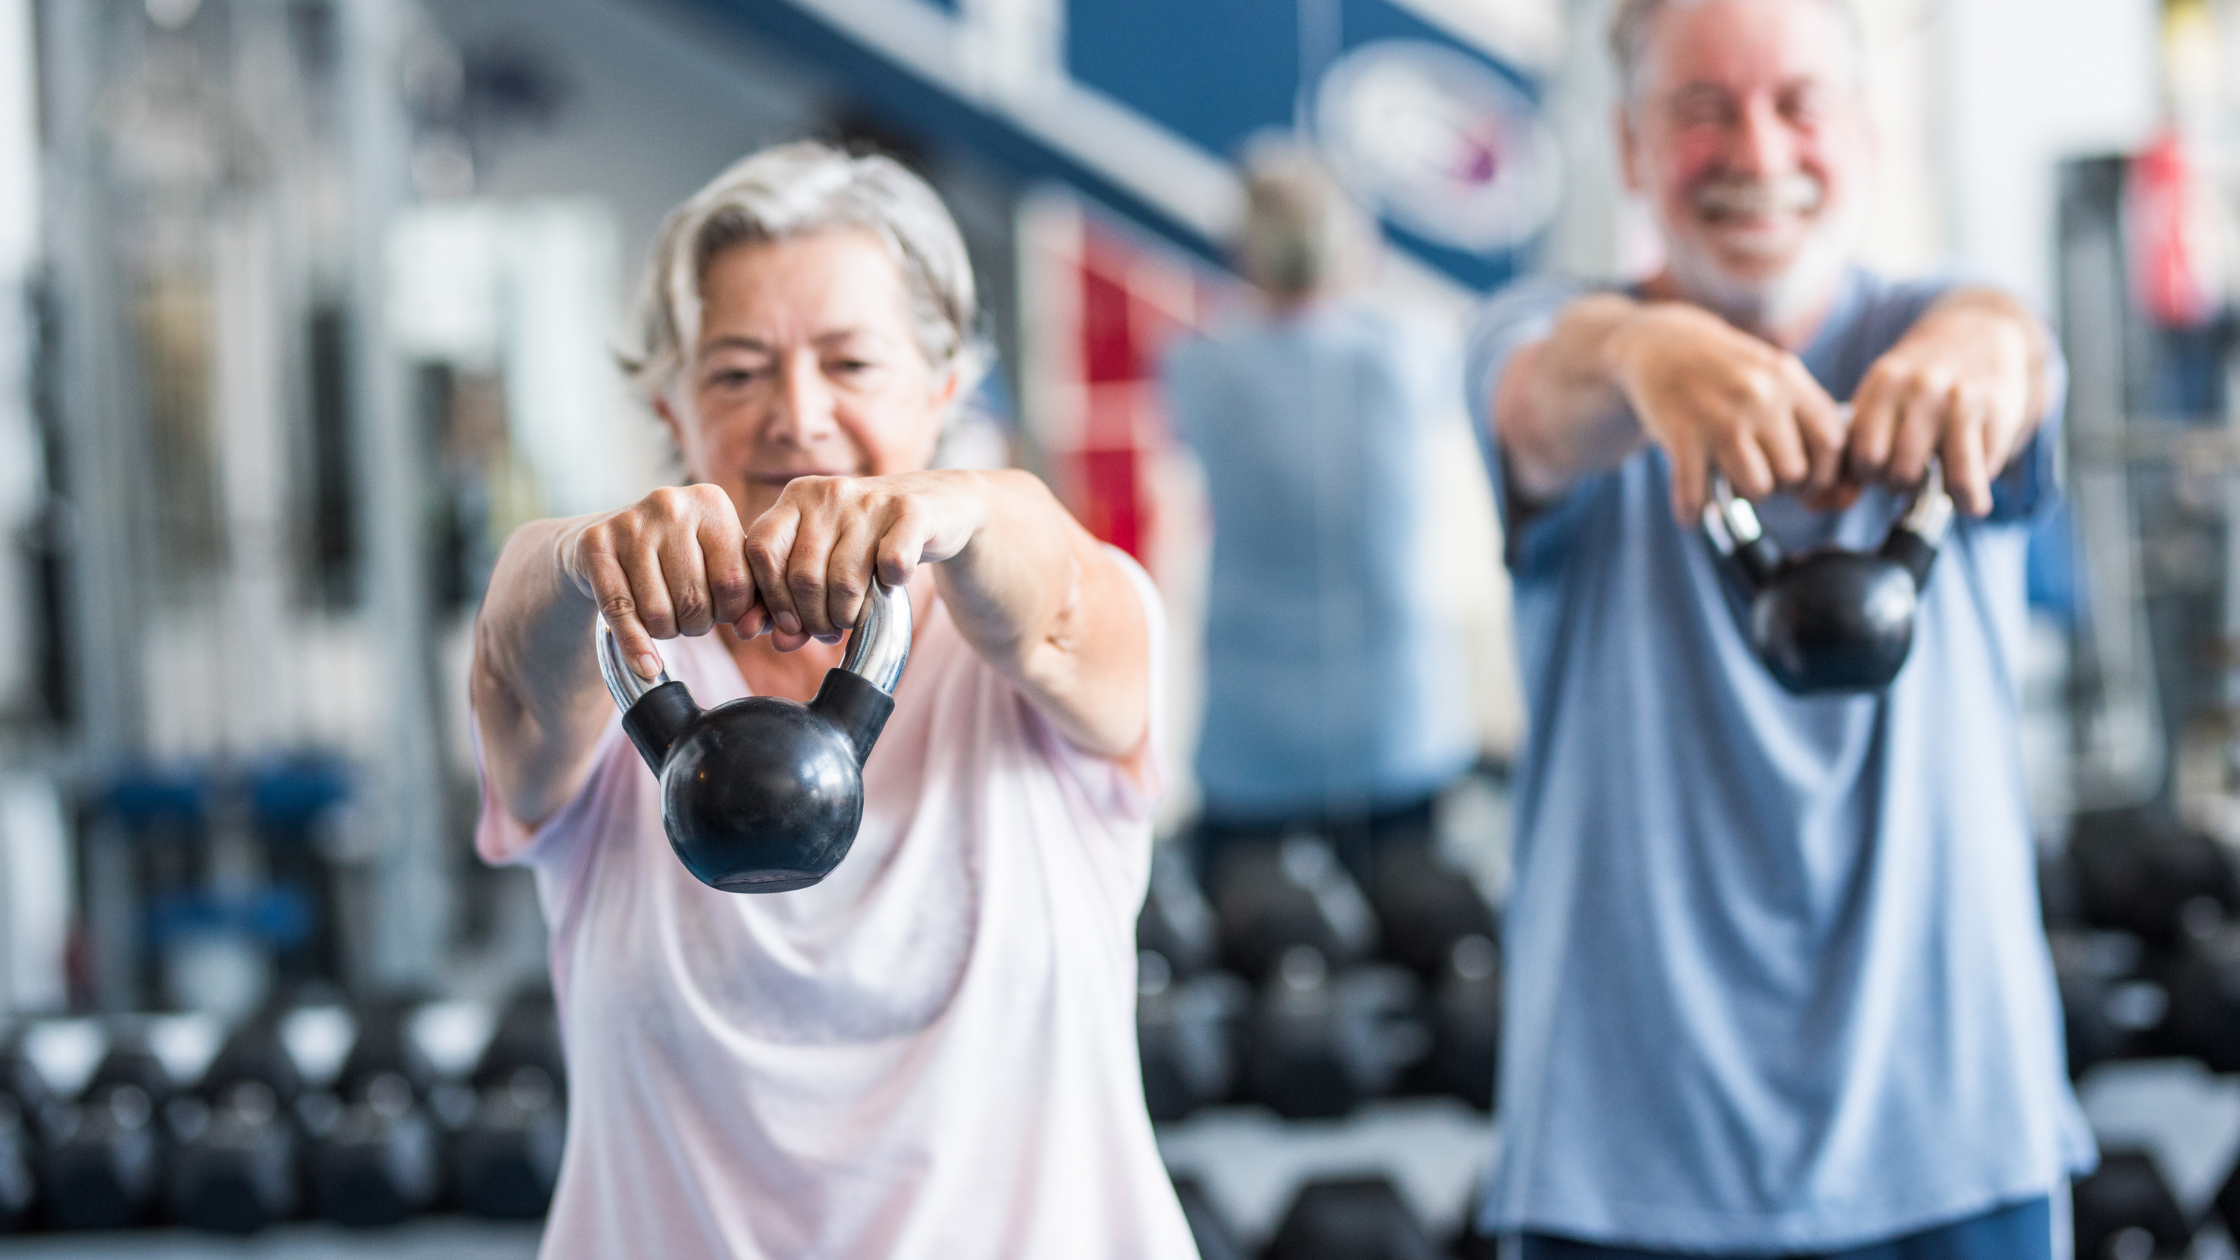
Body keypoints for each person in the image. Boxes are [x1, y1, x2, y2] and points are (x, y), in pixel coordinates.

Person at [467, 142, 1196, 1260]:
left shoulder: (1037, 648)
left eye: (850, 364)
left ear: (944, 391)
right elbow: (517, 665)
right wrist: (577, 558)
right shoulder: (612, 660)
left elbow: (1055, 600)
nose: (795, 416)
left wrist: (968, 507)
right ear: (672, 407)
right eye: (737, 371)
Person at [1467, 1, 2090, 1258]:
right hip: (1622, 1162)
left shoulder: (1944, 324)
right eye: (1699, 113)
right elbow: (1543, 394)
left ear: (1859, 133)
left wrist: (1980, 348)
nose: (1755, 151)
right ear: (1631, 149)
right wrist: (1647, 354)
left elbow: (2011, 349)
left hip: (1954, 1146)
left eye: (1797, 102)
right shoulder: (1545, 339)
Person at [1160, 144, 1479, 884]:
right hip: (1397, 729)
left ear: (1244, 251)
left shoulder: (1197, 368)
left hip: (1252, 734)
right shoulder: (1414, 357)